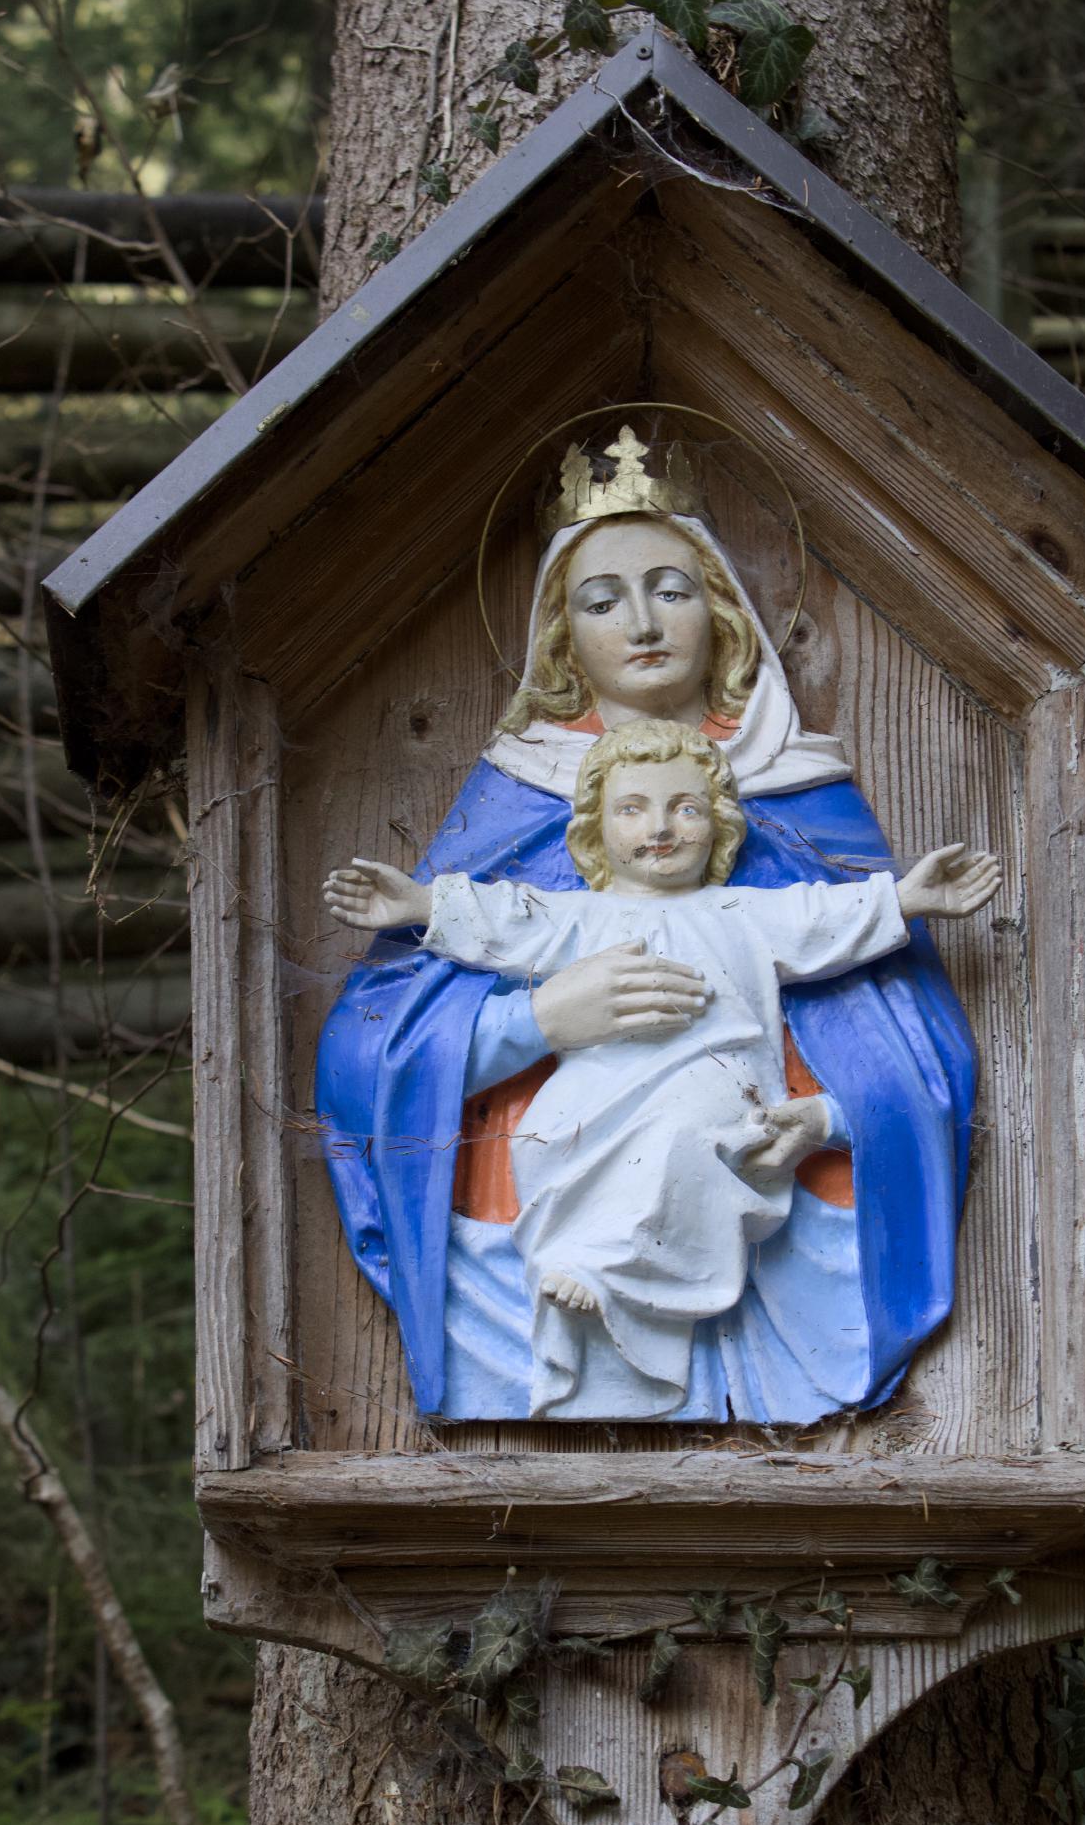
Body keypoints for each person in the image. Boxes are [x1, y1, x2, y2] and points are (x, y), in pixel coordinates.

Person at [315, 425, 983, 1424]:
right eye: (601, 598)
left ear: (720, 610)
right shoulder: (518, 803)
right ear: (559, 635)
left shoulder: (802, 799)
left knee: (689, 1135)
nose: (641, 621)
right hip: (522, 1254)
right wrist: (540, 1021)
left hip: (787, 1242)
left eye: (670, 587)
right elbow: (366, 1055)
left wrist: (827, 1122)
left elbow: (911, 1043)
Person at [323, 719, 1001, 1418]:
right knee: (558, 1127)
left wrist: (907, 898)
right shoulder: (579, 918)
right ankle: (582, 1261)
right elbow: (505, 917)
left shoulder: (742, 912)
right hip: (602, 1085)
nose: (661, 826)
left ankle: (612, 1274)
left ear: (718, 824)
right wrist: (417, 904)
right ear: (595, 825)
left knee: (685, 1141)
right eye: (633, 808)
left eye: (685, 807)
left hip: (715, 1093)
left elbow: (823, 916)